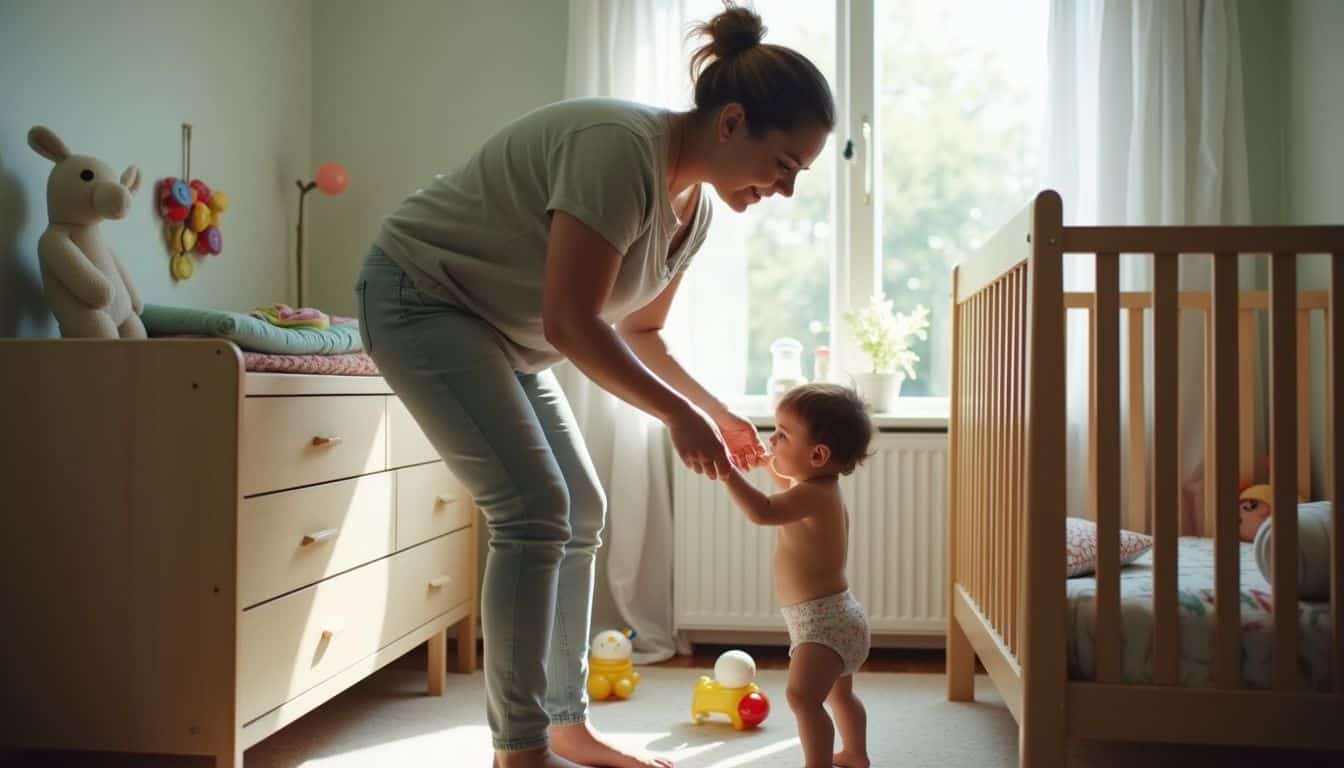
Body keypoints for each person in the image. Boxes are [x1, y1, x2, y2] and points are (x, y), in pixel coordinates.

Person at [353, 3, 835, 767]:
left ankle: (564, 724)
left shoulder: (694, 212)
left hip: (507, 337)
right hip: (424, 296)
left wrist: (717, 414)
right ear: (733, 121)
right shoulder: (616, 149)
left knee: (581, 505)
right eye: (785, 165)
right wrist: (677, 418)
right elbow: (574, 323)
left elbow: (640, 331)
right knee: (535, 509)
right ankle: (520, 749)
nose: (786, 190)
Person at [718, 384, 873, 768]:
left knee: (803, 699)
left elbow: (764, 511)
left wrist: (726, 472)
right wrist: (765, 462)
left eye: (782, 435)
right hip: (840, 617)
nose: (772, 440)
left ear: (818, 454)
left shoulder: (813, 496)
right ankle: (854, 752)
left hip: (822, 625)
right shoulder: (821, 489)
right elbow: (787, 486)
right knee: (840, 696)